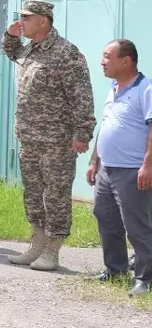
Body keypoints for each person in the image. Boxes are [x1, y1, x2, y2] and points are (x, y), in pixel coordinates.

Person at [3, 0, 96, 271]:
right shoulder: (30, 49)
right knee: (33, 194)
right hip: (29, 137)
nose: (22, 22)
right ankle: (37, 244)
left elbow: (82, 97)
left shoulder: (66, 53)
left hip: (57, 141)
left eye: (27, 18)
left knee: (55, 195)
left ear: (44, 21)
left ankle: (53, 250)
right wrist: (10, 35)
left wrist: (82, 134)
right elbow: (11, 53)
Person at [86, 39, 151, 296]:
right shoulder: (113, 88)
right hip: (107, 169)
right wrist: (94, 161)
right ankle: (115, 270)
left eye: (107, 56)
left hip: (132, 170)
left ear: (126, 61)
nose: (102, 61)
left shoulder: (145, 89)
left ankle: (146, 278)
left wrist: (148, 165)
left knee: (137, 226)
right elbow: (106, 127)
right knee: (106, 219)